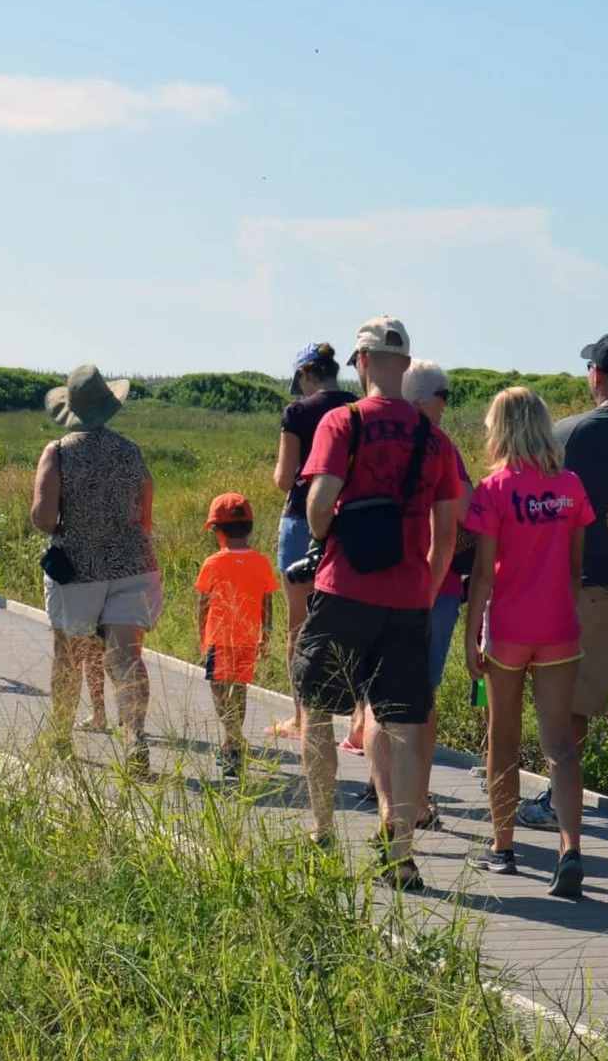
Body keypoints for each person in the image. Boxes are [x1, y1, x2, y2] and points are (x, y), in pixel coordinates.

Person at [292, 317, 463, 888]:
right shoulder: (435, 439)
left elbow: (318, 504)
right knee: (404, 722)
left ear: (361, 361)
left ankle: (320, 831)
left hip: (345, 588)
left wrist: (327, 539)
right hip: (409, 598)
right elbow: (447, 532)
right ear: (405, 365)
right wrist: (428, 583)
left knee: (317, 708)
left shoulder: (343, 422)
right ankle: (401, 846)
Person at [463, 386, 595, 896]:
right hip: (559, 625)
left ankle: (503, 847)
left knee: (504, 737)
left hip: (509, 628)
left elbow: (482, 574)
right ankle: (570, 848)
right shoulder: (570, 486)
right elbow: (577, 567)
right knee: (560, 745)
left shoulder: (494, 489)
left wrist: (473, 632)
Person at [512, 333, 608, 832]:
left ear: (597, 376)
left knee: (570, 708)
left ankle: (556, 797)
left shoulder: (568, 434)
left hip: (589, 586)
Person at [31, 365, 159, 771]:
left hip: (78, 570)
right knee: (127, 657)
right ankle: (135, 736)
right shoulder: (131, 451)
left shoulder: (59, 451)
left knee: (67, 655)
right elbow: (145, 513)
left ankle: (60, 736)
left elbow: (43, 518)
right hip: (132, 566)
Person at [264, 342, 357, 743]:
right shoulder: (358, 407)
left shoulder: (297, 413)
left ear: (305, 374)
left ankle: (302, 717)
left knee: (298, 624)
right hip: (350, 522)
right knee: (351, 623)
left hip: (302, 519)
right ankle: (358, 722)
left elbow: (285, 479)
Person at [402, 358, 474, 829]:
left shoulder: (374, 434)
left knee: (381, 691)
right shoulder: (442, 446)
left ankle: (387, 787)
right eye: (444, 398)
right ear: (429, 401)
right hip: (438, 583)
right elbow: (465, 512)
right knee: (421, 695)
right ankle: (418, 798)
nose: (446, 407)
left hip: (383, 581)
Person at [194, 493, 280, 781]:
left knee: (220, 690)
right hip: (248, 638)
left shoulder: (212, 563)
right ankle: (234, 739)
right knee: (239, 690)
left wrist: (200, 636)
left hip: (219, 638)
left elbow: (202, 605)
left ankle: (231, 743)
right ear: (250, 527)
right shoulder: (262, 561)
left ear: (217, 530)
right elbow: (268, 601)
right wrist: (266, 635)